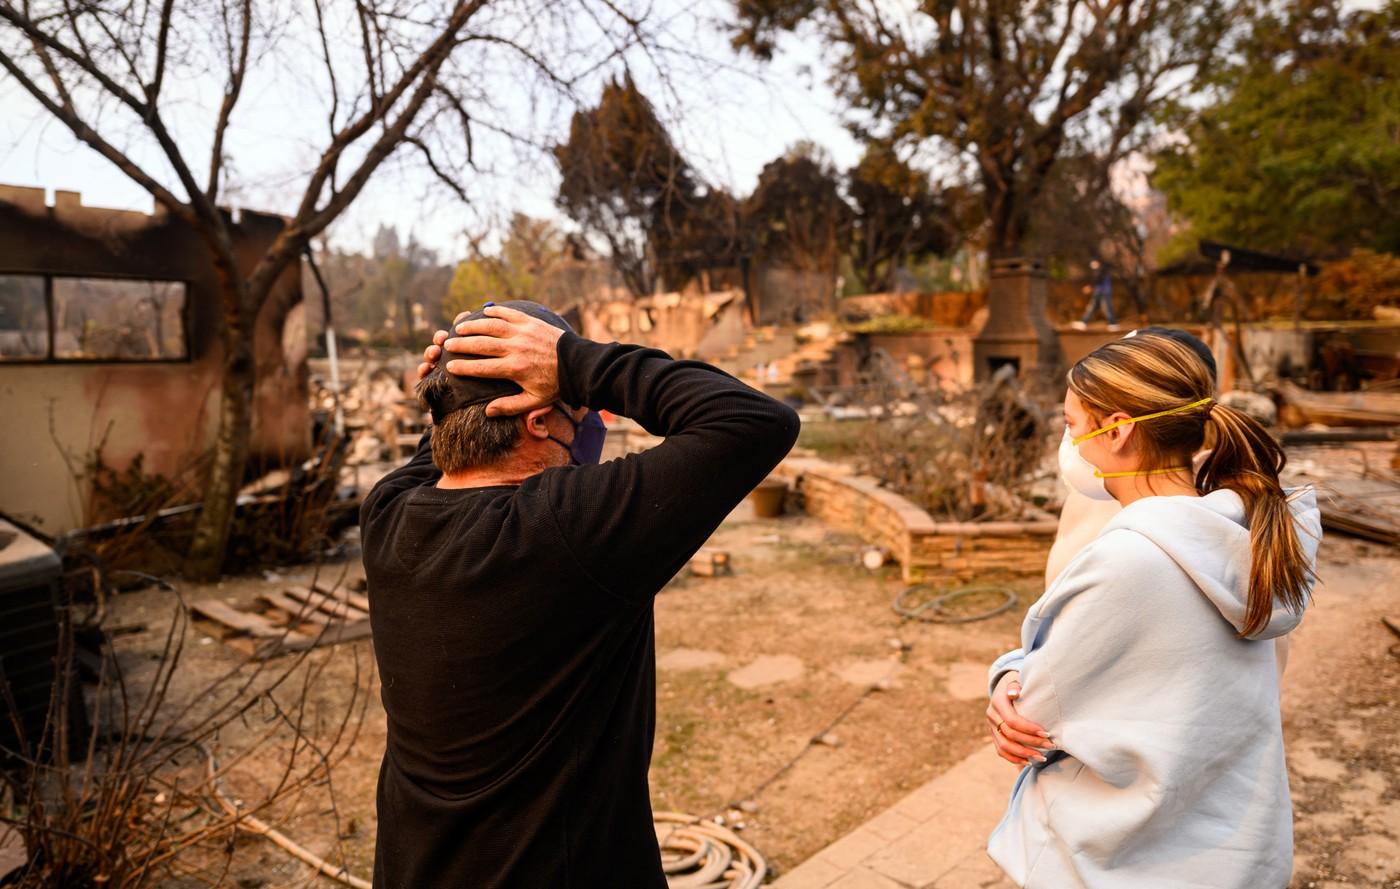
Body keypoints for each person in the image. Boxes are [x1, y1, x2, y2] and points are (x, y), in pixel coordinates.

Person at [360, 301, 799, 888]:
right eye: (580, 410)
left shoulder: (388, 515)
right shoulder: (565, 531)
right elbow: (755, 421)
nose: (591, 423)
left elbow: (447, 446)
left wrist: (454, 382)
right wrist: (575, 361)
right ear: (539, 422)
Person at [982, 333, 1320, 888]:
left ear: (1115, 431)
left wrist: (1008, 676)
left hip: (1126, 862)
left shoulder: (1128, 561)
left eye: (1070, 425)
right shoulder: (1251, 535)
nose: (1068, 443)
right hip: (1235, 848)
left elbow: (1038, 712)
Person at [1071, 259, 1118, 331]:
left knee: (1106, 308)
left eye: (1093, 262)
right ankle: (1083, 322)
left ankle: (1113, 324)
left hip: (1103, 291)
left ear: (1098, 262)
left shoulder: (1101, 270)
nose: (1092, 265)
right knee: (1092, 307)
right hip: (1099, 291)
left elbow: (1098, 280)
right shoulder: (1101, 270)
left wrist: (1090, 287)